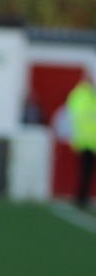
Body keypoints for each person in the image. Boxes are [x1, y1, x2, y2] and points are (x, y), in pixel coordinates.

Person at [64, 79, 96, 209]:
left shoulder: (81, 97)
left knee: (85, 172)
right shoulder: (85, 97)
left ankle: (81, 197)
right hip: (88, 142)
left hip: (86, 142)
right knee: (86, 172)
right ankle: (81, 198)